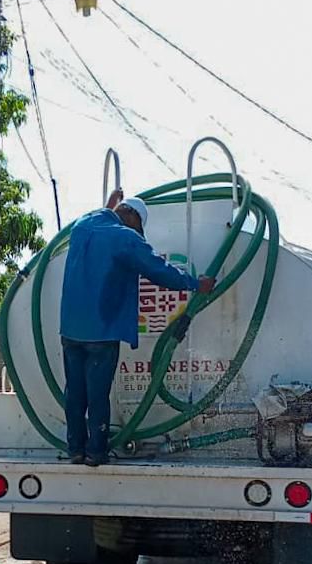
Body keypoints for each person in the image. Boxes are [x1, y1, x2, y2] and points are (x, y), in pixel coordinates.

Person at [59, 189, 214, 466]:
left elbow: (102, 217)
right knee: (96, 394)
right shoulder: (125, 238)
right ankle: (95, 452)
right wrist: (195, 283)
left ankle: (75, 450)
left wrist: (109, 203)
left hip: (70, 329)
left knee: (75, 392)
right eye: (139, 226)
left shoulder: (83, 225)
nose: (138, 232)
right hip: (102, 330)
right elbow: (159, 269)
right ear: (131, 216)